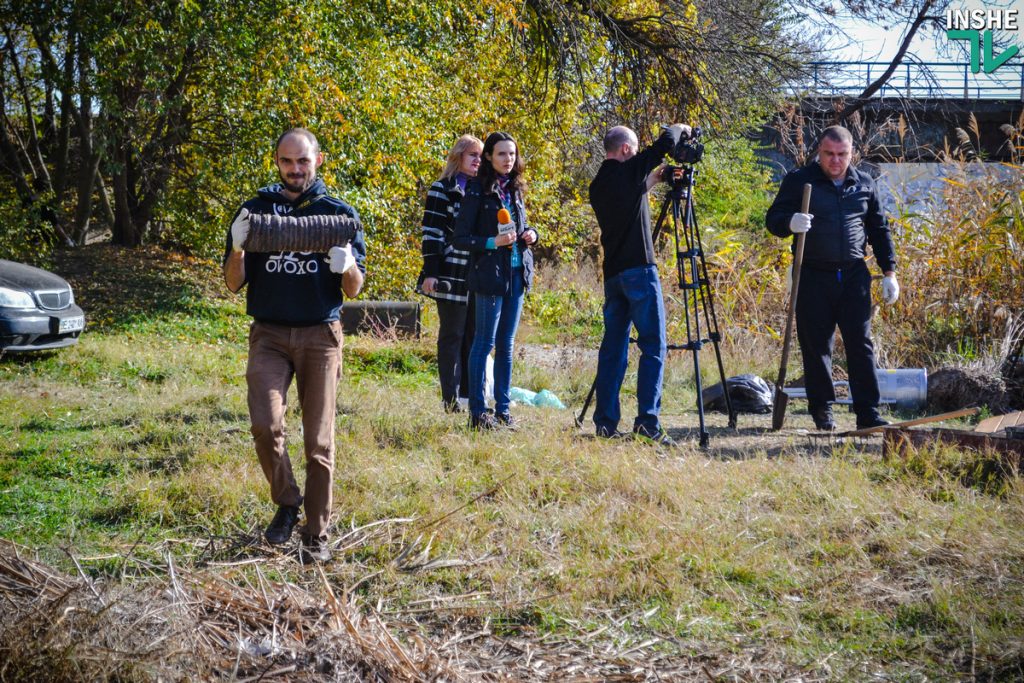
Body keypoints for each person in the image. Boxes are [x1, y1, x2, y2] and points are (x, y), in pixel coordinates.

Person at [223, 128, 366, 563]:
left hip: (320, 335)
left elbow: (355, 289)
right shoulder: (255, 210)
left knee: (319, 443)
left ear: (317, 161)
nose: (295, 169)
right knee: (266, 426)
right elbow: (233, 284)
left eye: (302, 161)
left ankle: (317, 534)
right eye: (287, 161)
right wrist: (236, 247)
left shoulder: (337, 213)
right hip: (268, 333)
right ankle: (287, 502)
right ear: (277, 162)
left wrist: (349, 265)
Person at [766, 124, 899, 431]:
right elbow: (772, 220)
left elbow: (879, 230)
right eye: (829, 154)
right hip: (813, 274)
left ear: (852, 153)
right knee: (816, 346)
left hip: (854, 275)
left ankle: (867, 412)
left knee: (860, 344)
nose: (836, 161)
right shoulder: (800, 181)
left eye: (842, 154)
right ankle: (822, 410)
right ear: (819, 153)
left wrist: (890, 271)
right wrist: (790, 222)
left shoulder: (864, 183)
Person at [588, 123, 688, 445]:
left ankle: (605, 423)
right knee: (653, 346)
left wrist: (654, 179)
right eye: (635, 148)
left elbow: (627, 197)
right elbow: (663, 145)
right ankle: (647, 422)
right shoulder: (628, 169)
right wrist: (679, 128)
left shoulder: (599, 183)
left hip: (614, 276)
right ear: (627, 150)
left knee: (613, 349)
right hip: (639, 273)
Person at [454, 132, 539, 430]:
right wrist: (493, 241)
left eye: (512, 154)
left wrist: (532, 235)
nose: (508, 160)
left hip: (517, 275)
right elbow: (461, 239)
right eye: (502, 154)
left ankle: (503, 409)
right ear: (489, 156)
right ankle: (478, 412)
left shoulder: (515, 190)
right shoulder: (477, 190)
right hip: (489, 277)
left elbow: (523, 227)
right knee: (484, 343)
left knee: (506, 345)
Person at [416, 135, 483, 413]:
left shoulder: (483, 189)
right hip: (449, 271)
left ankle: (469, 397)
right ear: (458, 157)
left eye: (481, 156)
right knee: (452, 334)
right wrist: (431, 272)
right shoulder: (442, 188)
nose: (478, 160)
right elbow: (432, 233)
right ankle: (450, 399)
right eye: (473, 155)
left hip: (478, 273)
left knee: (474, 335)